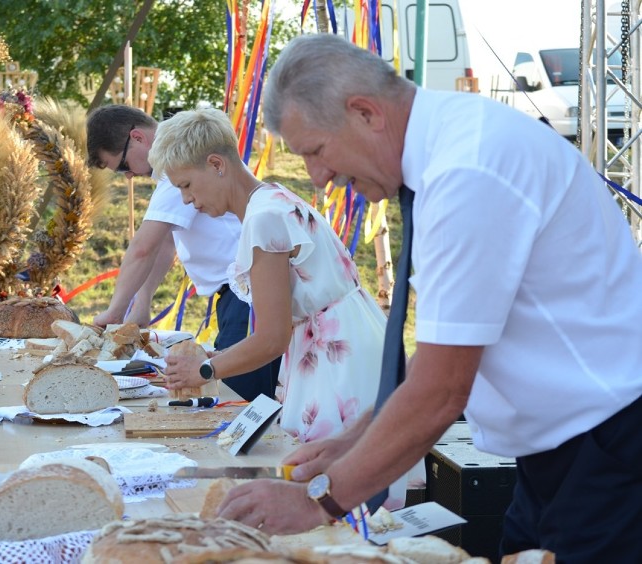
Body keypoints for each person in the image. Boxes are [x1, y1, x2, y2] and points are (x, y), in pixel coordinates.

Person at [215, 34, 642, 563]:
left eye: (316, 151)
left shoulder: (466, 170)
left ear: (365, 113)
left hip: (609, 447)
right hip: (569, 450)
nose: (319, 178)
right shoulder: (452, 149)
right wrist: (356, 438)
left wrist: (319, 501)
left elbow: (442, 390)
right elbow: (447, 350)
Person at [151, 108, 400, 469]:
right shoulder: (272, 199)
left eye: (186, 185)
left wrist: (205, 370)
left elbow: (271, 338)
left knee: (332, 480)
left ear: (217, 164)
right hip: (346, 340)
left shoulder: (263, 217)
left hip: (336, 359)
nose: (187, 200)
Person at [86, 105, 278, 402]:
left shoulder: (175, 162)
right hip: (239, 290)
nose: (128, 176)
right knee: (239, 395)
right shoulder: (176, 162)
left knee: (237, 399)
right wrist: (143, 301)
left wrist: (115, 311)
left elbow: (143, 247)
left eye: (124, 166)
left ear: (137, 137)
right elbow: (164, 243)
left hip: (248, 291)